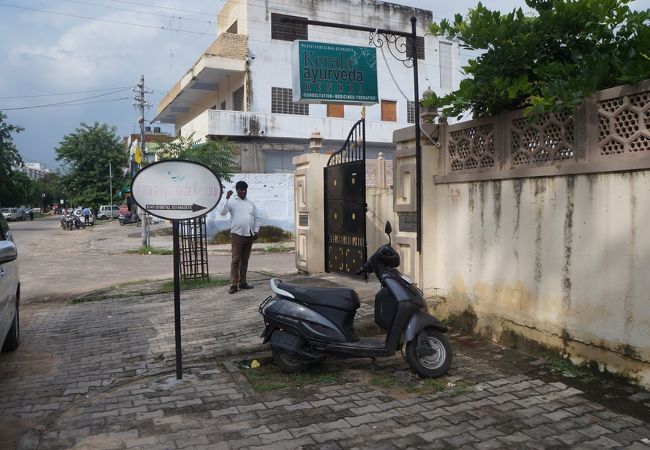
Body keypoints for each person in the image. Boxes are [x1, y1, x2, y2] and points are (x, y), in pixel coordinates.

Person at [218, 180, 260, 294]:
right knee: (235, 260)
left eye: (245, 190)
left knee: (245, 260)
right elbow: (222, 212)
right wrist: (226, 198)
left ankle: (243, 282)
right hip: (237, 234)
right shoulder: (231, 202)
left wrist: (256, 231)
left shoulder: (250, 203)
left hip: (250, 234)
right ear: (237, 191)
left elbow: (256, 218)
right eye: (241, 189)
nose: (243, 191)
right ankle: (233, 284)